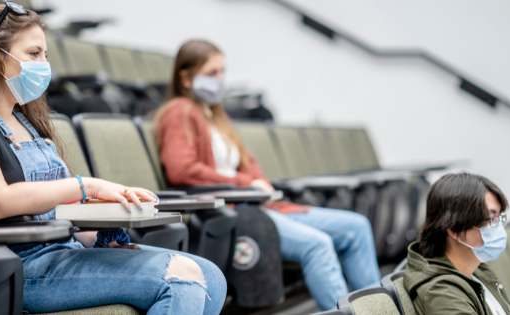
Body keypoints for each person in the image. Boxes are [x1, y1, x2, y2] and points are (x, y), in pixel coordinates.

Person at [0, 3, 226, 315]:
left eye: (45, 55)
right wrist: (87, 186)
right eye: (33, 54)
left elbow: (57, 210)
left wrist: (99, 233)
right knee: (181, 278)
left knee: (212, 277)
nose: (44, 64)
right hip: (13, 265)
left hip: (61, 250)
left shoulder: (27, 120)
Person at [154, 39, 381, 310]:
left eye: (222, 72)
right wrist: (247, 183)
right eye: (212, 73)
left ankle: (378, 308)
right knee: (317, 245)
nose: (220, 79)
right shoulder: (179, 112)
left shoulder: (216, 117)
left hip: (259, 204)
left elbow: (249, 163)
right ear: (187, 78)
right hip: (232, 211)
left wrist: (256, 181)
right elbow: (182, 170)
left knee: (356, 227)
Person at [404, 173, 510, 315]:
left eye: (500, 218)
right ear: (455, 229)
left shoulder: (478, 271)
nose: (499, 228)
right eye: (492, 219)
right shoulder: (443, 293)